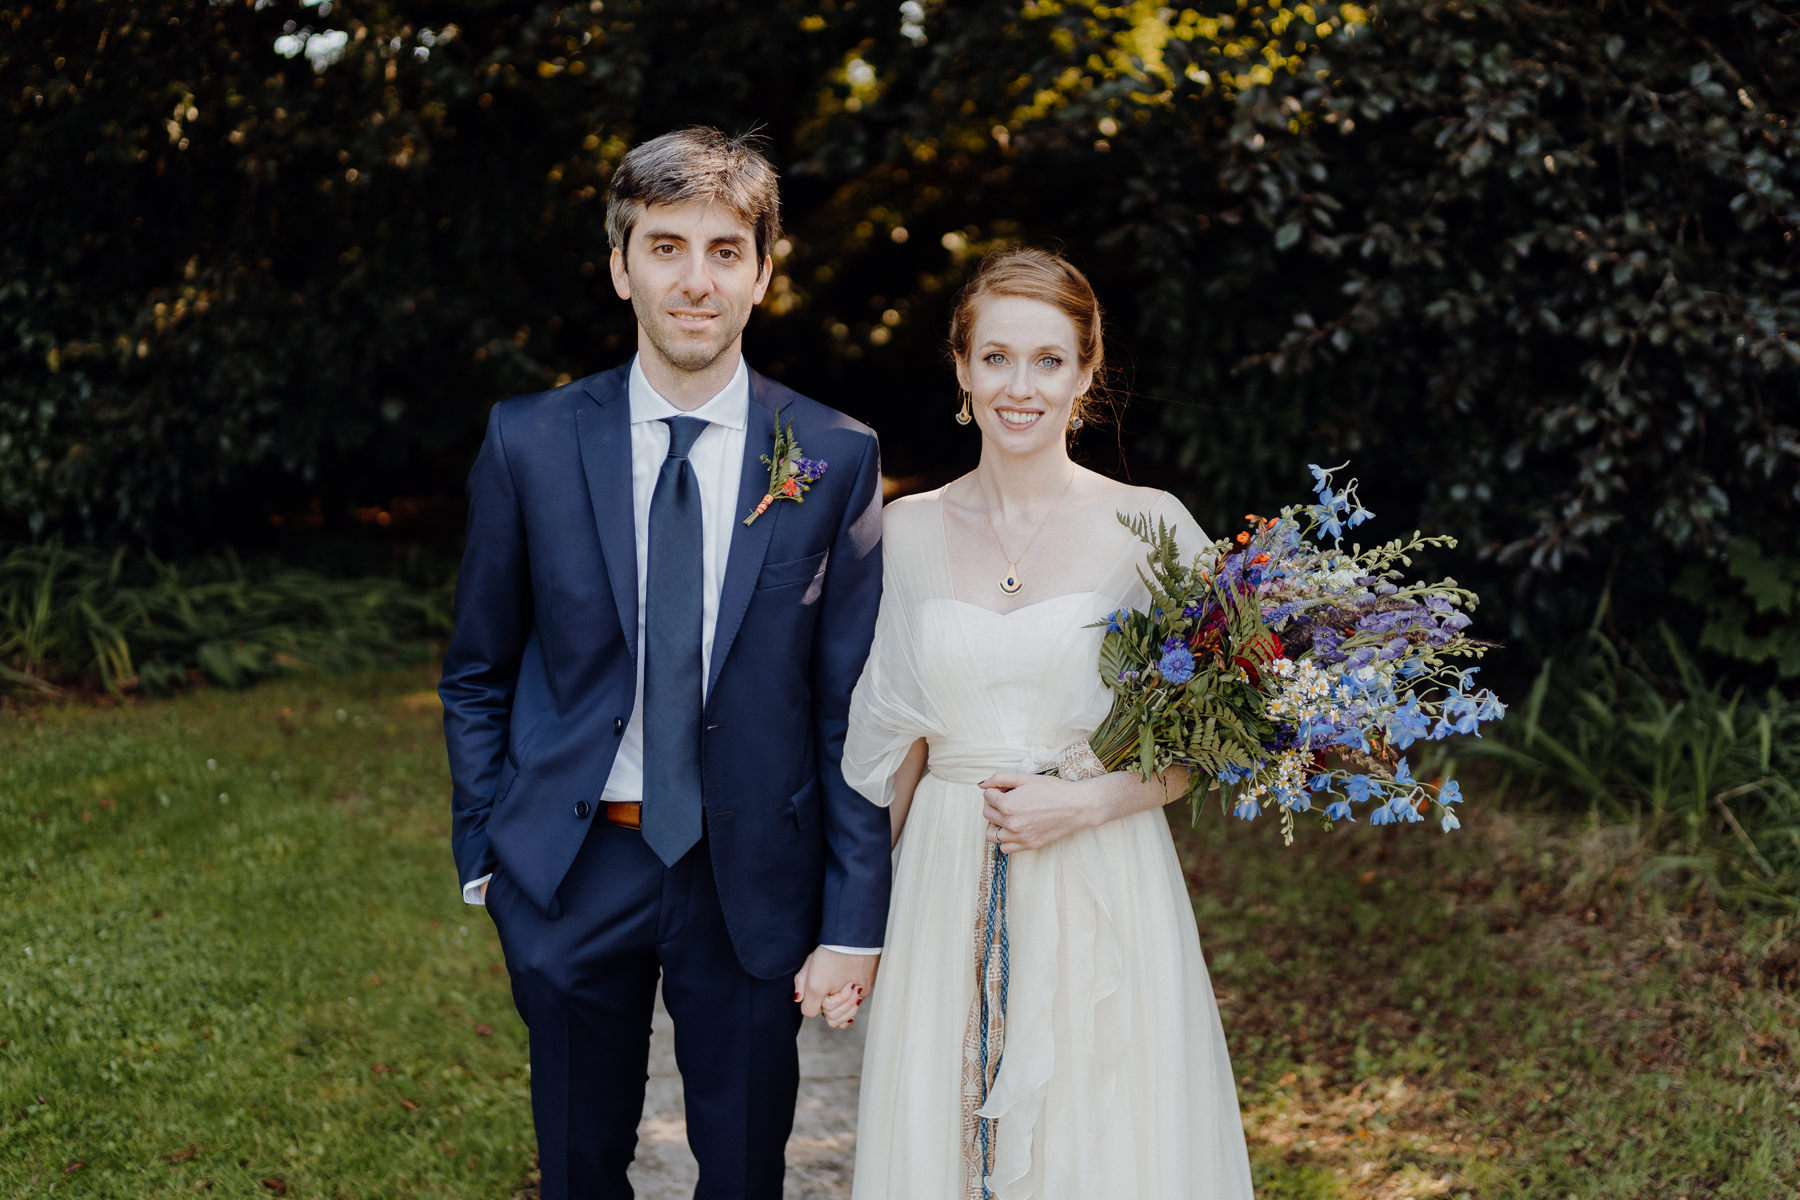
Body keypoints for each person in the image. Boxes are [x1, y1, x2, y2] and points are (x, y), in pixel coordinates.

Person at [438, 126, 890, 1200]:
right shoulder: (529, 441)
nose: (696, 279)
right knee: (581, 1168)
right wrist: (486, 850)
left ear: (763, 274)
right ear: (620, 265)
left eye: (726, 250)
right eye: (667, 246)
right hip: (573, 868)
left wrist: (852, 912)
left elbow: (851, 708)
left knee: (742, 1173)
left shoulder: (832, 455)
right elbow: (477, 667)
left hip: (751, 881)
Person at [839, 249, 1256, 1199]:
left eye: (1047, 361)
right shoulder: (904, 531)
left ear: (1086, 369)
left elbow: (1215, 733)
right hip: (947, 874)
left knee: (1103, 1136)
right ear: (960, 368)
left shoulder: (1153, 528)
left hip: (1102, 869)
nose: (1018, 387)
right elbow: (890, 755)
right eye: (995, 358)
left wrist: (1093, 801)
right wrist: (850, 929)